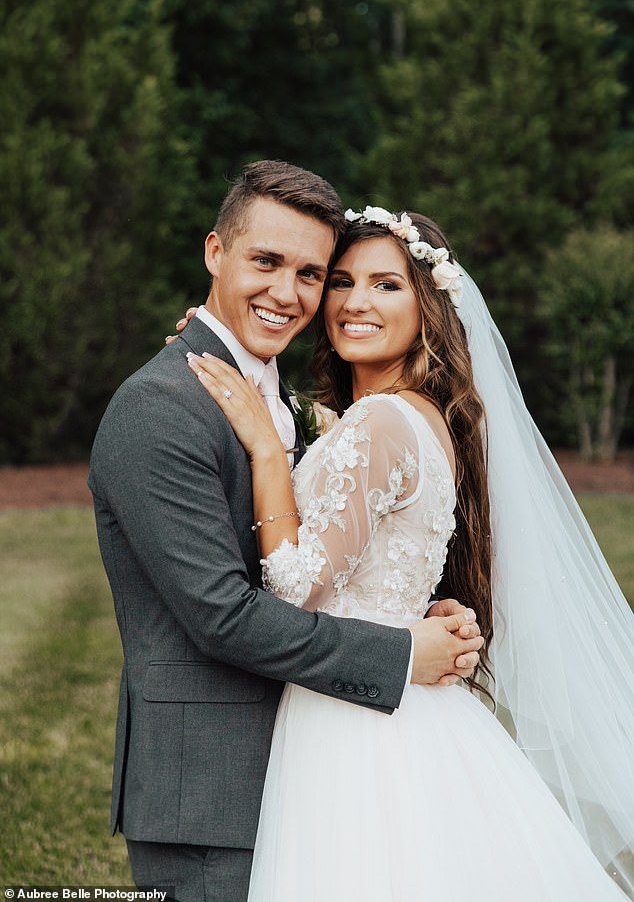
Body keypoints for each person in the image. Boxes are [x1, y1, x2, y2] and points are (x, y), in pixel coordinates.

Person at [185, 204, 633, 900]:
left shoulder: (382, 421)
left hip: (356, 723)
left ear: (428, 306)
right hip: (403, 697)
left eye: (386, 285)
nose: (356, 301)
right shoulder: (413, 415)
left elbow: (296, 584)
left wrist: (269, 454)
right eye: (342, 282)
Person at [88, 162, 485, 902]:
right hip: (209, 791)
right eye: (265, 262)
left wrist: (416, 609)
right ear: (215, 252)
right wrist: (401, 651)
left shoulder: (287, 404)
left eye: (311, 272)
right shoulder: (159, 409)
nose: (288, 292)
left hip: (315, 765)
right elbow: (224, 615)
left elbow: (333, 543)